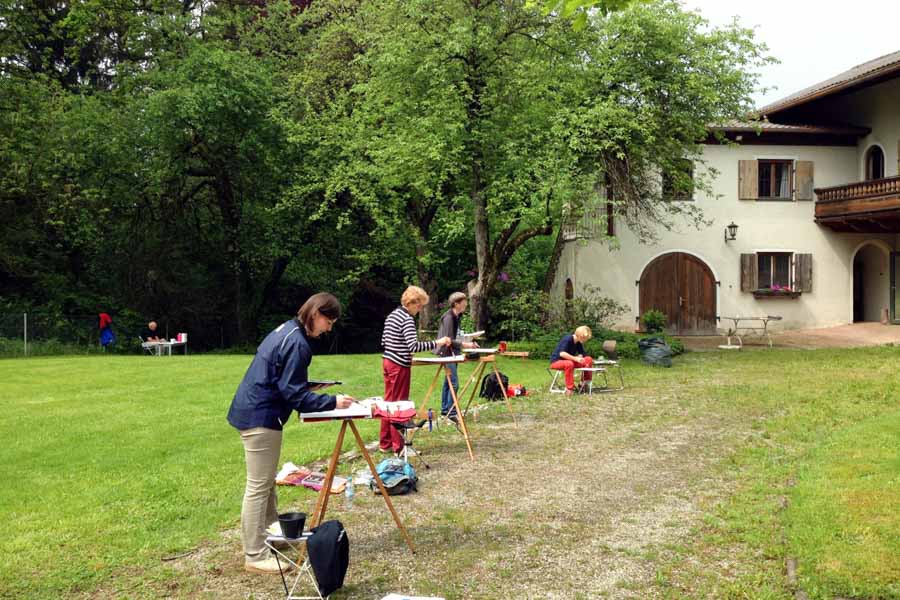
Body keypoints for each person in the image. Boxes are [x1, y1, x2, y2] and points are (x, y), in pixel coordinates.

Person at [227, 293, 354, 574]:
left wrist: (307, 386)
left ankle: (272, 535)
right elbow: (293, 395)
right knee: (258, 486)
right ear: (316, 313)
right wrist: (334, 401)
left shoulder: (287, 329)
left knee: (266, 481)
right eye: (328, 321)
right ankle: (255, 554)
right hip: (260, 416)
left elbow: (282, 378)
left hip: (254, 410)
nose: (328, 328)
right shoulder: (298, 343)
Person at [381, 286, 451, 453]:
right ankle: (399, 447)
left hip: (387, 362)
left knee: (388, 404)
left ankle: (385, 443)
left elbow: (385, 341)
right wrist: (438, 342)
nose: (420, 310)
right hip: (399, 366)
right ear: (412, 302)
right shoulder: (406, 319)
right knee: (399, 406)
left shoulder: (392, 315)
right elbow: (414, 346)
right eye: (420, 306)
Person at [435, 292, 478, 420]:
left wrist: (469, 340)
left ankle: (445, 410)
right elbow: (448, 340)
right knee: (454, 383)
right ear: (456, 304)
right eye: (463, 302)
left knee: (448, 382)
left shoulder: (457, 316)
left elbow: (455, 337)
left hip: (452, 352)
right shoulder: (449, 318)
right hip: (446, 353)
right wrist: (466, 345)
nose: (466, 304)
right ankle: (451, 412)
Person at [549, 325, 594, 394]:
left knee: (588, 359)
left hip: (570, 361)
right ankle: (569, 389)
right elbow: (562, 354)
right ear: (581, 336)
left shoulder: (578, 342)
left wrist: (580, 356)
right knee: (569, 363)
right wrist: (575, 358)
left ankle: (583, 384)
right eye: (586, 338)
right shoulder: (568, 339)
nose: (586, 340)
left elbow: (582, 353)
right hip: (556, 361)